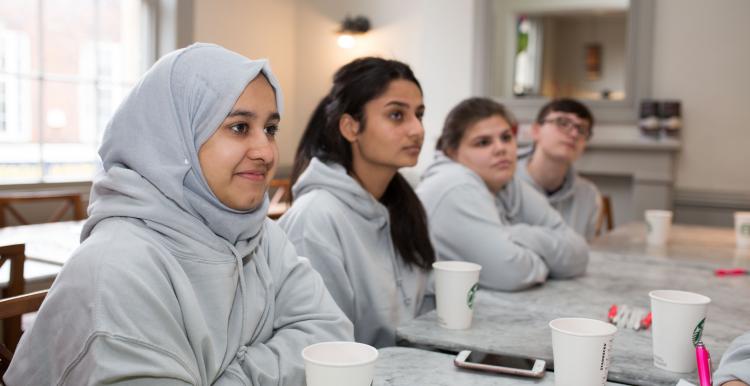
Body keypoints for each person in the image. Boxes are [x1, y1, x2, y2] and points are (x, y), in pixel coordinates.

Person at [5, 43, 352, 385]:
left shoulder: (260, 234)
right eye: (239, 127)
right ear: (175, 139)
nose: (265, 150)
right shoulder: (118, 265)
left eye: (270, 129)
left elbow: (331, 337)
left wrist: (232, 377)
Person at [278, 57, 435, 348]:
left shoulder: (404, 205)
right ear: (351, 127)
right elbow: (324, 348)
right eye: (397, 115)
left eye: (420, 114)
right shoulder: (316, 218)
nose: (417, 130)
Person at [416, 97, 589, 291]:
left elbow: (579, 254)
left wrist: (515, 234)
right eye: (483, 143)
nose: (501, 149)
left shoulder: (506, 180)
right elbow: (513, 273)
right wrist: (548, 262)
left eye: (506, 138)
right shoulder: (455, 184)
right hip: (428, 318)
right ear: (452, 152)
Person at [516, 98, 601, 240]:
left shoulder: (589, 196)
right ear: (536, 130)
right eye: (562, 123)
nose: (574, 134)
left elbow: (587, 254)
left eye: (582, 129)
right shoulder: (502, 183)